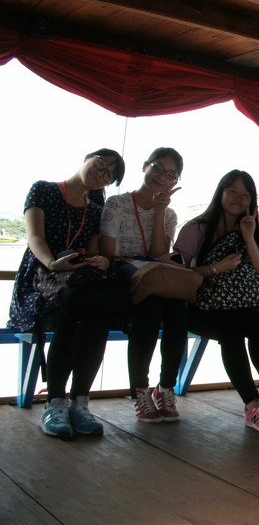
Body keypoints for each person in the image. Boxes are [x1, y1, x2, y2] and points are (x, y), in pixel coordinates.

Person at [7, 150, 129, 439]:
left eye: (108, 175)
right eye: (101, 164)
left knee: (96, 314)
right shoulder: (44, 190)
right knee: (72, 312)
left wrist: (100, 261)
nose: (102, 173)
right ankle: (56, 403)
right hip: (40, 280)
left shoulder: (95, 210)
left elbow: (95, 251)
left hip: (75, 281)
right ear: (88, 158)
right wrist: (52, 263)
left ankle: (80, 403)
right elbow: (34, 237)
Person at [174, 170, 259, 433]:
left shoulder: (253, 231)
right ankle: (252, 403)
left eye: (245, 194)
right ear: (221, 193)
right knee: (230, 329)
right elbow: (177, 274)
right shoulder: (197, 228)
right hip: (203, 307)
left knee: (258, 325)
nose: (238, 198)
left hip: (243, 305)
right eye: (233, 191)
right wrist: (215, 268)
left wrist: (249, 236)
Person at [100, 148, 188, 423]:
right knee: (149, 310)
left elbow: (160, 254)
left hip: (153, 278)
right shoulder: (117, 204)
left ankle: (165, 388)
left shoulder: (169, 215)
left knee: (178, 311)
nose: (162, 176)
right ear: (145, 166)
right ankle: (140, 390)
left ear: (175, 182)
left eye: (170, 174)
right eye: (158, 167)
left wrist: (159, 212)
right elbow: (108, 253)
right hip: (122, 278)